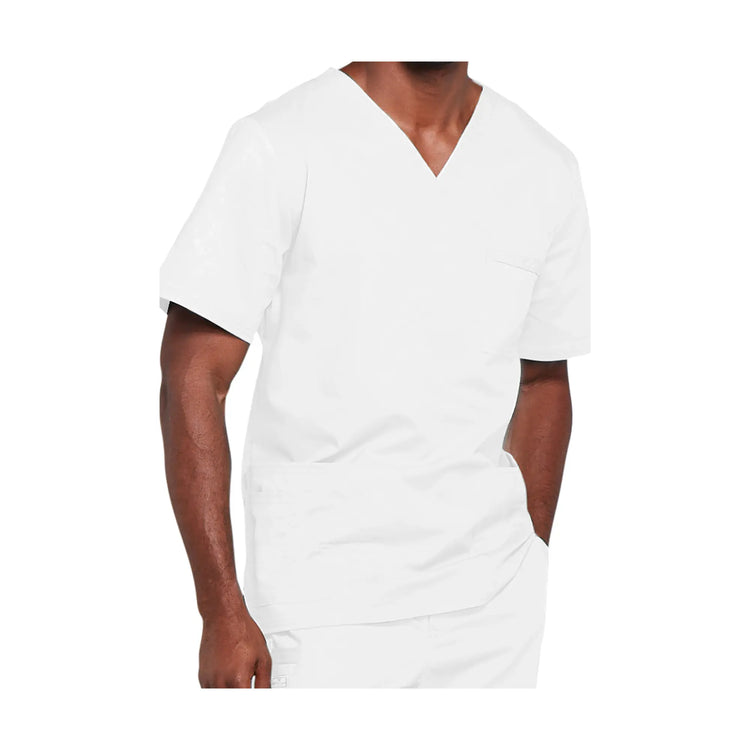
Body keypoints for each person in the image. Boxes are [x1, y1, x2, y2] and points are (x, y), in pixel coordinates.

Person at [159, 61, 591, 688]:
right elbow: (194, 375)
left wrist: (530, 555)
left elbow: (542, 377)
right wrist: (220, 606)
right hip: (323, 606)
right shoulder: (281, 142)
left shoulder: (542, 166)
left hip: (493, 609)